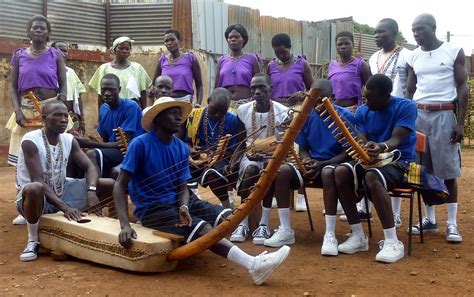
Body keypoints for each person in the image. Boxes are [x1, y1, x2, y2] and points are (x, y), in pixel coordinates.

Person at [113, 96, 290, 285]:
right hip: (153, 210)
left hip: (180, 202)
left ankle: (248, 256)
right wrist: (125, 225)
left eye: (179, 114)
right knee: (205, 228)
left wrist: (184, 208)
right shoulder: (139, 144)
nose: (178, 118)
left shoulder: (181, 148)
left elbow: (182, 187)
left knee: (229, 217)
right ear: (157, 119)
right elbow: (120, 184)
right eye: (172, 114)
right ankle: (253, 264)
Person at [321, 74, 417, 263]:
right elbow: (362, 140)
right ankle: (358, 235)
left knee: (372, 177)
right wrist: (365, 148)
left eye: (371, 98)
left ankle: (392, 241)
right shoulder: (363, 111)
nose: (366, 102)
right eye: (365, 97)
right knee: (340, 171)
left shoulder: (406, 107)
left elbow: (397, 140)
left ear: (386, 95)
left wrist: (379, 147)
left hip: (400, 161)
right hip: (370, 160)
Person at [15, 100, 113, 261]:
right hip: (36, 199)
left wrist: (91, 191)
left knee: (110, 184)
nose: (63, 119)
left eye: (65, 115)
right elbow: (37, 180)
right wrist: (65, 207)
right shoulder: (30, 140)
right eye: (57, 115)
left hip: (62, 189)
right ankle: (33, 240)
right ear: (44, 118)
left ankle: (109, 228)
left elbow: (89, 167)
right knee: (34, 188)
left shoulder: (68, 139)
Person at [406, 14, 468, 243]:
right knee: (422, 169)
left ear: (433, 28)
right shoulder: (413, 55)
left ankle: (452, 224)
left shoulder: (453, 50)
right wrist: (407, 119)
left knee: (448, 170)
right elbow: (409, 91)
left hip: (444, 114)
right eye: (413, 30)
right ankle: (430, 219)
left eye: (420, 29)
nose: (416, 33)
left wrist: (460, 123)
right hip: (419, 115)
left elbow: (462, 87)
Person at [7, 15, 71, 226]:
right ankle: (25, 204)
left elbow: (63, 84)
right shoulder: (19, 56)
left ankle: (58, 199)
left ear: (48, 32)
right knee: (23, 160)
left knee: (57, 154)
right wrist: (17, 111)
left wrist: (61, 103)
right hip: (27, 110)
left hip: (51, 108)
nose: (38, 31)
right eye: (34, 28)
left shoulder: (55, 54)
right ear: (29, 32)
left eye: (42, 28)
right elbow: (14, 87)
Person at [228, 74, 302, 247]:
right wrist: (235, 159)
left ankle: (264, 224)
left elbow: (287, 143)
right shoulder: (243, 110)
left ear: (271, 89)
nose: (257, 91)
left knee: (269, 169)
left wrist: (270, 153)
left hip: (275, 156)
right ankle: (243, 223)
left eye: (262, 87)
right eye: (253, 88)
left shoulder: (283, 111)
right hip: (250, 155)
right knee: (251, 169)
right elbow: (241, 139)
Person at [295, 79, 354, 255]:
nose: (317, 104)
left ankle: (330, 234)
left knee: (328, 172)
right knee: (282, 171)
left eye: (322, 100)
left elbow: (348, 153)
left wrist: (323, 164)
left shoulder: (344, 116)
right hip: (314, 165)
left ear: (333, 99)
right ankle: (284, 229)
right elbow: (304, 148)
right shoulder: (306, 116)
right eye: (313, 100)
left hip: (336, 165)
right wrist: (306, 160)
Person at [366, 18, 412, 228]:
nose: (376, 36)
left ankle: (395, 213)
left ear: (394, 32)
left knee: (394, 156)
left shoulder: (407, 55)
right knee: (371, 156)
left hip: (397, 111)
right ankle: (363, 207)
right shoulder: (373, 57)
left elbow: (411, 86)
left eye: (381, 32)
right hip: (377, 111)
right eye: (375, 32)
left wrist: (406, 108)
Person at [77, 74, 144, 179]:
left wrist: (90, 144)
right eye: (103, 90)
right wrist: (85, 141)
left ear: (119, 89)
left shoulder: (130, 107)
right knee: (78, 155)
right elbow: (104, 140)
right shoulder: (104, 109)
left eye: (111, 90)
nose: (107, 93)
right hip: (115, 150)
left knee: (92, 154)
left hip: (130, 152)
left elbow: (123, 145)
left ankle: (93, 191)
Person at [185, 88, 238, 208]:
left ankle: (226, 204)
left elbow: (234, 149)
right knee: (181, 166)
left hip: (221, 158)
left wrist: (217, 154)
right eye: (214, 110)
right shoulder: (194, 115)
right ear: (208, 101)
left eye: (222, 112)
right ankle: (190, 202)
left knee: (212, 174)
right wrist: (190, 150)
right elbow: (185, 141)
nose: (217, 115)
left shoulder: (232, 120)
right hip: (197, 158)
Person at [89, 36, 152, 109]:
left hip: (132, 110)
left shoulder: (137, 68)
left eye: (127, 49)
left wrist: (143, 113)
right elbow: (100, 95)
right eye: (121, 48)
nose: (124, 51)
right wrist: (102, 116)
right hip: (112, 109)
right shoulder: (104, 69)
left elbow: (143, 93)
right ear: (114, 50)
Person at [215, 24, 261, 111]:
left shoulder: (252, 58)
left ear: (243, 39)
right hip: (226, 106)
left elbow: (258, 84)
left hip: (247, 105)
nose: (233, 39)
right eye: (230, 37)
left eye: (236, 37)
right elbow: (216, 86)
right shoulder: (222, 60)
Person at [153, 29, 203, 105]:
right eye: (166, 41)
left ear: (179, 41)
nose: (169, 43)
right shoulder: (162, 60)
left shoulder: (190, 59)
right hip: (165, 103)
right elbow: (154, 84)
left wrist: (198, 104)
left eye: (172, 40)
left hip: (185, 102)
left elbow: (199, 85)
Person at [267, 33, 313, 107]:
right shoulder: (271, 66)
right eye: (277, 53)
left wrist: (301, 94)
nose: (281, 55)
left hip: (296, 108)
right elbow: (267, 89)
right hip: (275, 109)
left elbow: (312, 90)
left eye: (283, 52)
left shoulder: (302, 64)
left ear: (289, 47)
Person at [328, 31, 370, 110]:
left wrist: (363, 109)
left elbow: (371, 91)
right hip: (332, 111)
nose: (343, 47)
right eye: (339, 44)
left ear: (353, 45)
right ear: (336, 47)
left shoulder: (361, 64)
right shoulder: (332, 65)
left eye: (347, 43)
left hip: (351, 112)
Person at [52, 40, 87, 136]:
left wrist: (82, 120)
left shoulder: (71, 72)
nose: (63, 53)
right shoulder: (48, 73)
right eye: (60, 50)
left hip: (71, 116)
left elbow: (78, 97)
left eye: (65, 51)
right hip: (55, 116)